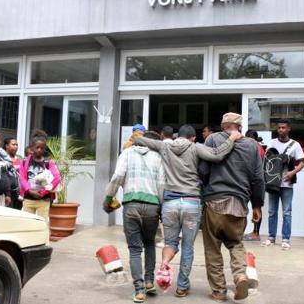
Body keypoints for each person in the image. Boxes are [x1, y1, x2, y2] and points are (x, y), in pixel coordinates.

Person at [135, 124, 241, 297]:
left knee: (170, 243)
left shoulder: (164, 145)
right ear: (193, 137)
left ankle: (165, 262)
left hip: (170, 203)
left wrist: (137, 135)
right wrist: (231, 138)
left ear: (178, 136)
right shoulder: (195, 147)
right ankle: (182, 286)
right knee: (188, 247)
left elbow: (140, 140)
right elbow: (217, 155)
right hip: (191, 202)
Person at [198, 112, 265, 302]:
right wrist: (257, 205)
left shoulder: (212, 139)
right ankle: (240, 276)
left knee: (212, 249)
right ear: (240, 127)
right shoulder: (252, 146)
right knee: (236, 243)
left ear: (223, 125)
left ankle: (219, 291)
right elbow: (258, 179)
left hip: (214, 203)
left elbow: (203, 171)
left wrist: (205, 186)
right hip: (239, 204)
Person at [103, 131, 165, 303]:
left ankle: (139, 291)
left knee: (135, 249)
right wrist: (160, 207)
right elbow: (161, 184)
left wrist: (108, 198)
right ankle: (149, 281)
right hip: (152, 206)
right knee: (150, 243)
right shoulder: (158, 157)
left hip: (131, 204)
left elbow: (117, 177)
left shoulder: (127, 153)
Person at [261, 119, 304, 250]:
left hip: (287, 184)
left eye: (283, 127)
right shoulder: (272, 143)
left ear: (289, 129)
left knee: (287, 212)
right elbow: (267, 161)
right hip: (273, 184)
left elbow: (302, 162)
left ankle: (286, 240)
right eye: (279, 127)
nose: (281, 130)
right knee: (271, 212)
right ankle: (271, 238)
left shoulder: (295, 145)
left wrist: (292, 172)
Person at [19, 136, 61, 221]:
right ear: (31, 148)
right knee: (27, 222)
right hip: (28, 199)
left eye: (42, 148)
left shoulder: (48, 163)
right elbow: (22, 178)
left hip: (43, 200)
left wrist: (43, 192)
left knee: (42, 222)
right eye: (37, 147)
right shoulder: (24, 162)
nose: (39, 150)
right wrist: (29, 190)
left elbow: (57, 178)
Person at [243, 129, 265, 242]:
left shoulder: (250, 147)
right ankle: (255, 233)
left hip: (250, 182)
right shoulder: (260, 148)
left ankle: (254, 233)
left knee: (244, 207)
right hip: (257, 183)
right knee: (257, 207)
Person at [3, 137, 23, 209]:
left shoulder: (20, 158)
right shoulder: (2, 158)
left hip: (18, 192)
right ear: (7, 146)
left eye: (17, 145)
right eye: (13, 144)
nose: (16, 147)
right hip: (7, 191)